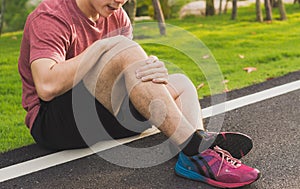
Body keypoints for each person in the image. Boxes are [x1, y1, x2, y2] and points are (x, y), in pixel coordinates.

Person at [18, 0, 260, 188]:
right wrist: (103, 47)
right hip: (56, 126)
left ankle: (195, 158)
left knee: (182, 83)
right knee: (121, 47)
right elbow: (46, 87)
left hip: (106, 118)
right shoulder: (51, 16)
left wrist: (151, 67)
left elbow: (125, 72)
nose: (121, 1)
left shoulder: (117, 15)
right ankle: (196, 145)